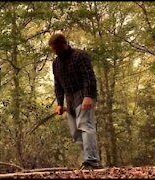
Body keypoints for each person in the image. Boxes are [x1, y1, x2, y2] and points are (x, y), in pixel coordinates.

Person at [48, 33, 101, 170]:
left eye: (57, 48)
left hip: (83, 94)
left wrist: (88, 96)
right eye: (53, 49)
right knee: (75, 132)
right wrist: (60, 103)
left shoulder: (79, 56)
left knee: (85, 126)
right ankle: (87, 160)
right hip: (69, 98)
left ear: (64, 44)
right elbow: (58, 84)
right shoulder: (56, 63)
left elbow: (89, 77)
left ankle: (91, 161)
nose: (56, 51)